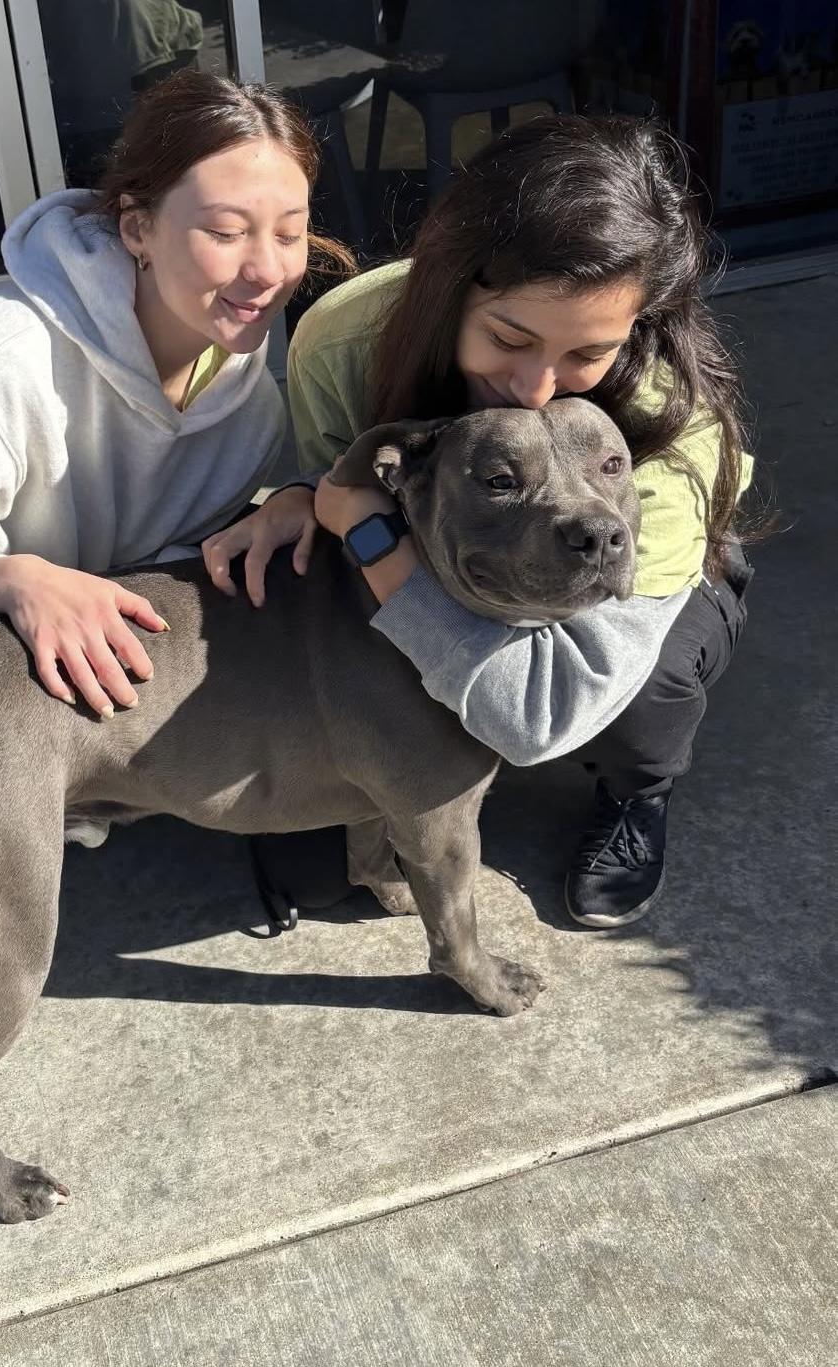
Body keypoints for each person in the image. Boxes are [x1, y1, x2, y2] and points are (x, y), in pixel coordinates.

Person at [205, 114, 756, 930]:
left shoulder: (671, 417)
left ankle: (636, 792)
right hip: (450, 542)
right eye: (509, 336)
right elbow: (340, 480)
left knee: (641, 688)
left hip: (623, 585)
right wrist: (302, 495)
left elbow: (542, 716)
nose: (537, 385)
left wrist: (361, 527)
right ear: (449, 284)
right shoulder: (344, 342)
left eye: (585, 355)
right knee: (315, 869)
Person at [0, 69, 354, 715]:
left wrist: (295, 498)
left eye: (289, 233)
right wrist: (13, 580)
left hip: (98, 579)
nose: (267, 270)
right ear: (136, 229)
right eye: (226, 232)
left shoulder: (245, 394)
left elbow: (181, 542)